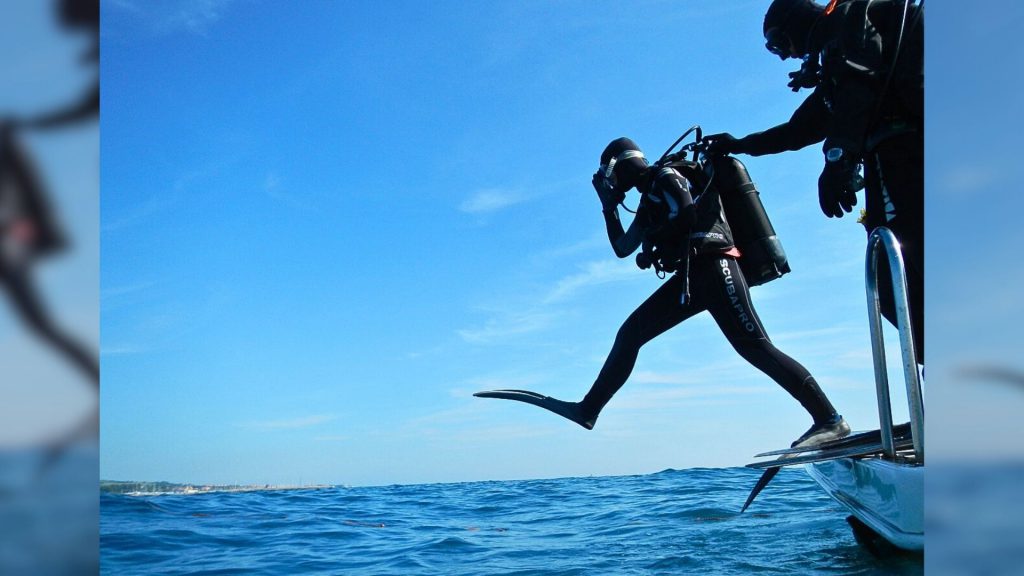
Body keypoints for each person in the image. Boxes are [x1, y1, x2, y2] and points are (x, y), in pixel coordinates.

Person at [476, 137, 849, 448]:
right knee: (631, 333)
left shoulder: (667, 176)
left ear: (615, 168)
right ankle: (588, 410)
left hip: (716, 266)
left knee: (756, 347)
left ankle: (829, 419)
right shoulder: (648, 197)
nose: (610, 185)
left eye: (608, 178)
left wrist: (657, 239)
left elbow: (687, 215)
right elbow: (623, 247)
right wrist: (608, 209)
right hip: (694, 276)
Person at [703, 0, 924, 364]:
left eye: (777, 44)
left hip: (907, 153)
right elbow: (797, 130)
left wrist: (838, 157)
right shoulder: (841, 58)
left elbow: (859, 88)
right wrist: (739, 144)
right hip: (896, 157)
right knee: (892, 282)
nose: (783, 57)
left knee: (904, 272)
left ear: (794, 24)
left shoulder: (851, 25)